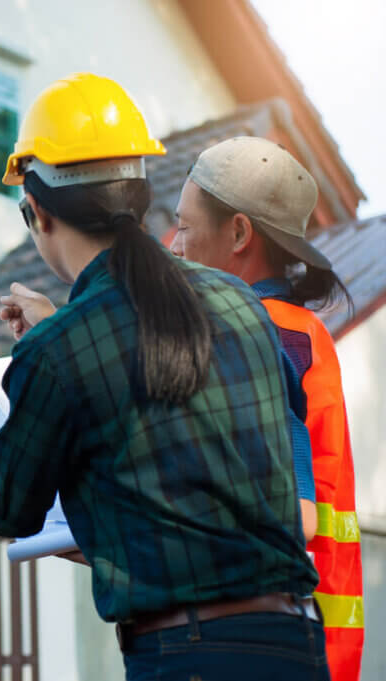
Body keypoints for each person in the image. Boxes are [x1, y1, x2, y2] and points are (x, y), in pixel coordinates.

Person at [0, 73, 327, 680]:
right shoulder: (239, 303)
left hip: (188, 655)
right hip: (295, 644)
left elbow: (8, 507)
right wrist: (59, 332)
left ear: (35, 211)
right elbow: (178, 432)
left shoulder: (59, 353)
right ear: (139, 195)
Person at [171, 137, 363, 681]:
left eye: (184, 226)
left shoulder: (255, 334)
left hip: (266, 639)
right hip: (316, 636)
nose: (174, 244)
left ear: (238, 233)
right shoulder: (302, 331)